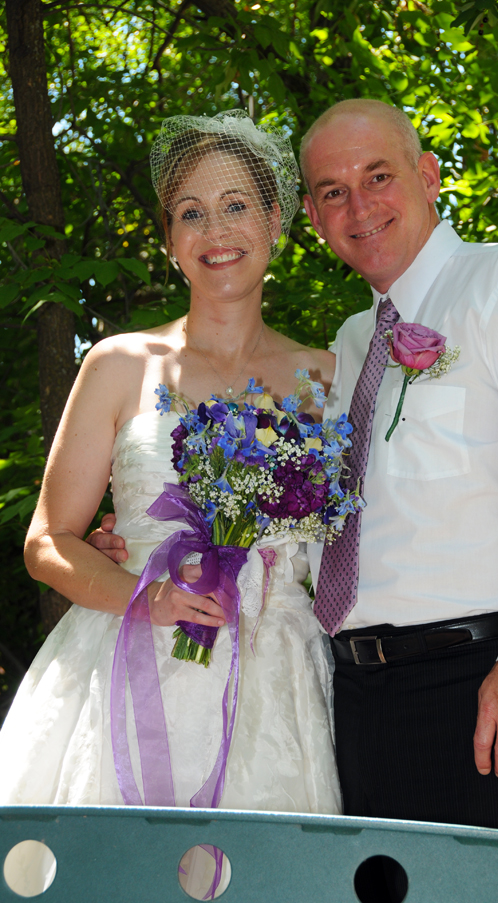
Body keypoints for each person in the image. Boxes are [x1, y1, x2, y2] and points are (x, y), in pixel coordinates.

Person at [0, 111, 340, 899]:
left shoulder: (329, 374)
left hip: (275, 682)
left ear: (277, 221)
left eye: (235, 204)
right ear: (168, 238)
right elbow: (47, 541)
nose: (214, 228)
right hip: (126, 664)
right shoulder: (119, 364)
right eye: (190, 211)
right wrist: (141, 595)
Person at [299, 99, 498, 903]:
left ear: (428, 176)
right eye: (331, 190)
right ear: (311, 215)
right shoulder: (352, 341)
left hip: (486, 689)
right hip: (359, 704)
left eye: (377, 176)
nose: (358, 206)